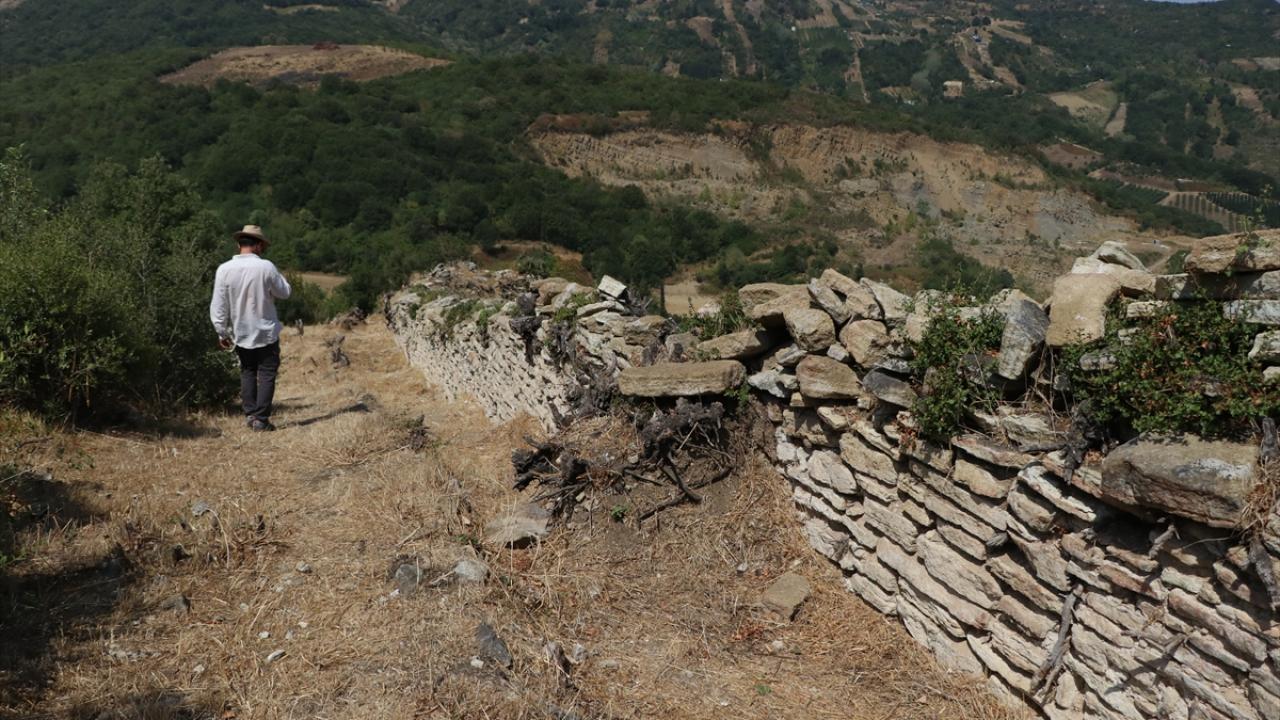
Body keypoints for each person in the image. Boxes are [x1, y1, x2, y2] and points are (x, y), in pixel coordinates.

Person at [210, 224, 292, 431]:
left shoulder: (224, 269)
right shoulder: (266, 267)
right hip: (265, 331)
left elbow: (218, 305)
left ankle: (250, 415)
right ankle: (261, 420)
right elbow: (285, 292)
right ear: (259, 245)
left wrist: (221, 332)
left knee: (247, 371)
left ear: (239, 244)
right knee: (266, 374)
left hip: (240, 331)